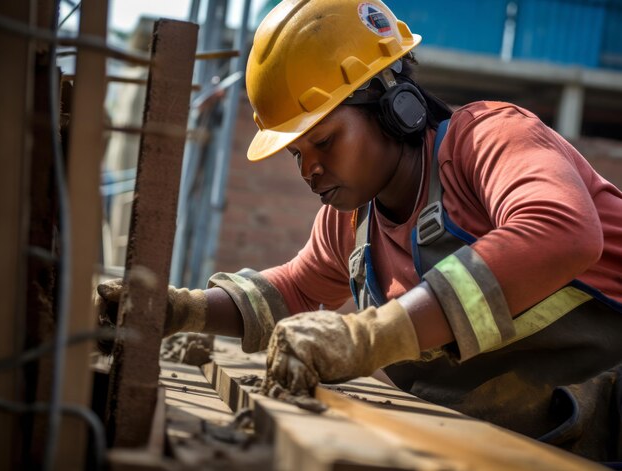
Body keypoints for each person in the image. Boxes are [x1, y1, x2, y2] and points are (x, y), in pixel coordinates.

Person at [96, 0, 622, 462]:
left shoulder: (489, 140)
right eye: (297, 154)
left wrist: (371, 337)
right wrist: (183, 311)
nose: (309, 170)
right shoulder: (352, 221)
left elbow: (563, 232)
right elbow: (294, 288)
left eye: (323, 141)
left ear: (397, 105)